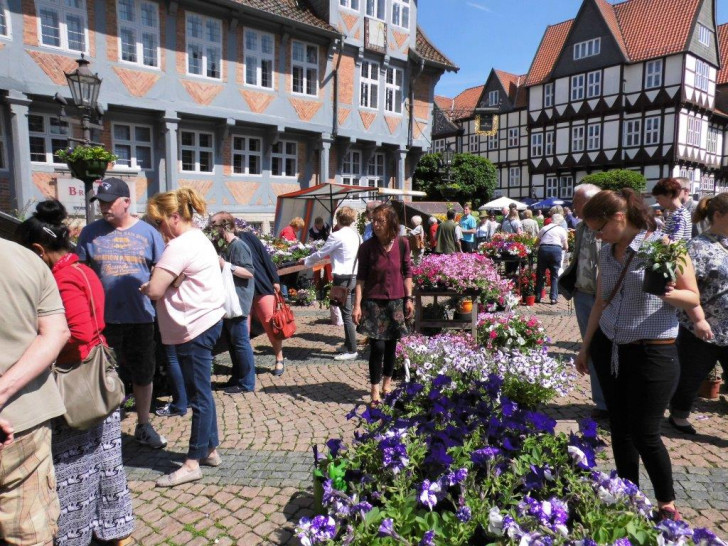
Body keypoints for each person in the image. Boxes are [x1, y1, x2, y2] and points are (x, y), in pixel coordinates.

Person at [576, 188, 702, 522]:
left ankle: (666, 504)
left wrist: (670, 293)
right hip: (610, 348)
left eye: (599, 228)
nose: (597, 235)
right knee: (619, 427)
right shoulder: (606, 253)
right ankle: (627, 492)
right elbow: (601, 302)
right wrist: (586, 346)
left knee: (646, 432)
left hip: (653, 351)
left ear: (619, 217)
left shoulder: (664, 247)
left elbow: (693, 299)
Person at [16, 200, 134, 545]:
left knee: (74, 468)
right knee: (106, 460)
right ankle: (113, 527)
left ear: (39, 250)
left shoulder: (62, 278)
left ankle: (75, 533)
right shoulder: (83, 269)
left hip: (77, 382)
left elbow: (78, 333)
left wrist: (43, 351)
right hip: (99, 375)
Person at [142, 188, 225, 487]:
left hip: (194, 327)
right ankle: (210, 449)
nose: (158, 228)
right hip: (204, 322)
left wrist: (152, 285)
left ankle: (192, 463)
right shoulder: (198, 239)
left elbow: (154, 290)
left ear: (174, 217)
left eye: (159, 221)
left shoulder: (179, 245)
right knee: (202, 391)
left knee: (198, 397)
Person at [76, 177, 167, 449]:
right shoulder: (89, 233)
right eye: (100, 202)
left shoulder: (149, 233)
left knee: (143, 373)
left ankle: (143, 425)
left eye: (109, 202)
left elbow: (162, 271)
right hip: (103, 321)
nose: (104, 207)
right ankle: (105, 430)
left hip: (141, 317)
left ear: (126, 202)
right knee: (103, 375)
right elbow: (80, 274)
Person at [0, 239, 70, 544]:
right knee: (29, 530)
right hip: (23, 417)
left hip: (20, 425)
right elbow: (56, 333)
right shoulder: (26, 259)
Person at [668, 193, 728, 434]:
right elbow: (686, 288)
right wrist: (698, 320)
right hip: (702, 327)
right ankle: (679, 415)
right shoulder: (697, 247)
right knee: (690, 376)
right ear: (718, 215)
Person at [352, 204, 413, 406]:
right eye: (374, 220)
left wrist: (409, 298)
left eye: (380, 221)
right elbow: (360, 279)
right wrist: (357, 305)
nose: (376, 224)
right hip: (373, 302)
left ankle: (388, 382)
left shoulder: (403, 244)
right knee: (377, 346)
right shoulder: (367, 247)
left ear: (391, 223)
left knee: (391, 345)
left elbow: (407, 273)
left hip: (395, 302)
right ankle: (375, 389)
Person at [557, 184, 606, 418]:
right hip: (583, 294)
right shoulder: (580, 226)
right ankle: (602, 403)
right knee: (593, 348)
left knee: (607, 348)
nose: (572, 206)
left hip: (605, 297)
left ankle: (614, 399)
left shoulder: (606, 228)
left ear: (588, 203)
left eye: (576, 201)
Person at [302, 206, 361, 360]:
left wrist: (306, 261)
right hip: (355, 276)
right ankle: (348, 344)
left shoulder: (337, 236)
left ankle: (352, 350)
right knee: (345, 312)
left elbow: (322, 253)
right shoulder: (357, 236)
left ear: (338, 219)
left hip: (342, 278)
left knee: (346, 314)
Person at [210, 213, 257, 395]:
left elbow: (249, 272)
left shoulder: (239, 245)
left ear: (225, 226)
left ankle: (246, 382)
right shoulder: (226, 246)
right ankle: (237, 378)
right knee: (233, 343)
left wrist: (226, 266)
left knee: (240, 342)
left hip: (238, 301)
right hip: (230, 301)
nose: (212, 230)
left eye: (214, 226)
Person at [238, 228, 287, 376]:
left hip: (261, 285)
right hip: (239, 289)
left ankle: (279, 357)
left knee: (271, 323)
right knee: (243, 330)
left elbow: (265, 258)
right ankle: (246, 365)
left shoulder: (247, 237)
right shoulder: (219, 243)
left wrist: (275, 279)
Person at [535, 213, 568, 304]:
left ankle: (538, 296)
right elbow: (566, 246)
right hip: (556, 250)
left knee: (540, 274)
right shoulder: (562, 230)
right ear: (560, 222)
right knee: (554, 275)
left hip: (543, 249)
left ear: (552, 219)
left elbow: (537, 242)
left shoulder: (544, 228)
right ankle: (553, 298)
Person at [309, 216, 333, 297]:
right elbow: (310, 242)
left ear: (323, 223)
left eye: (321, 226)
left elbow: (330, 237)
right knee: (317, 271)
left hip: (327, 253)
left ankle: (327, 290)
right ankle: (318, 291)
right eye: (318, 226)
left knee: (328, 271)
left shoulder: (327, 227)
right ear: (315, 224)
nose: (319, 227)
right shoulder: (312, 231)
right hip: (317, 253)